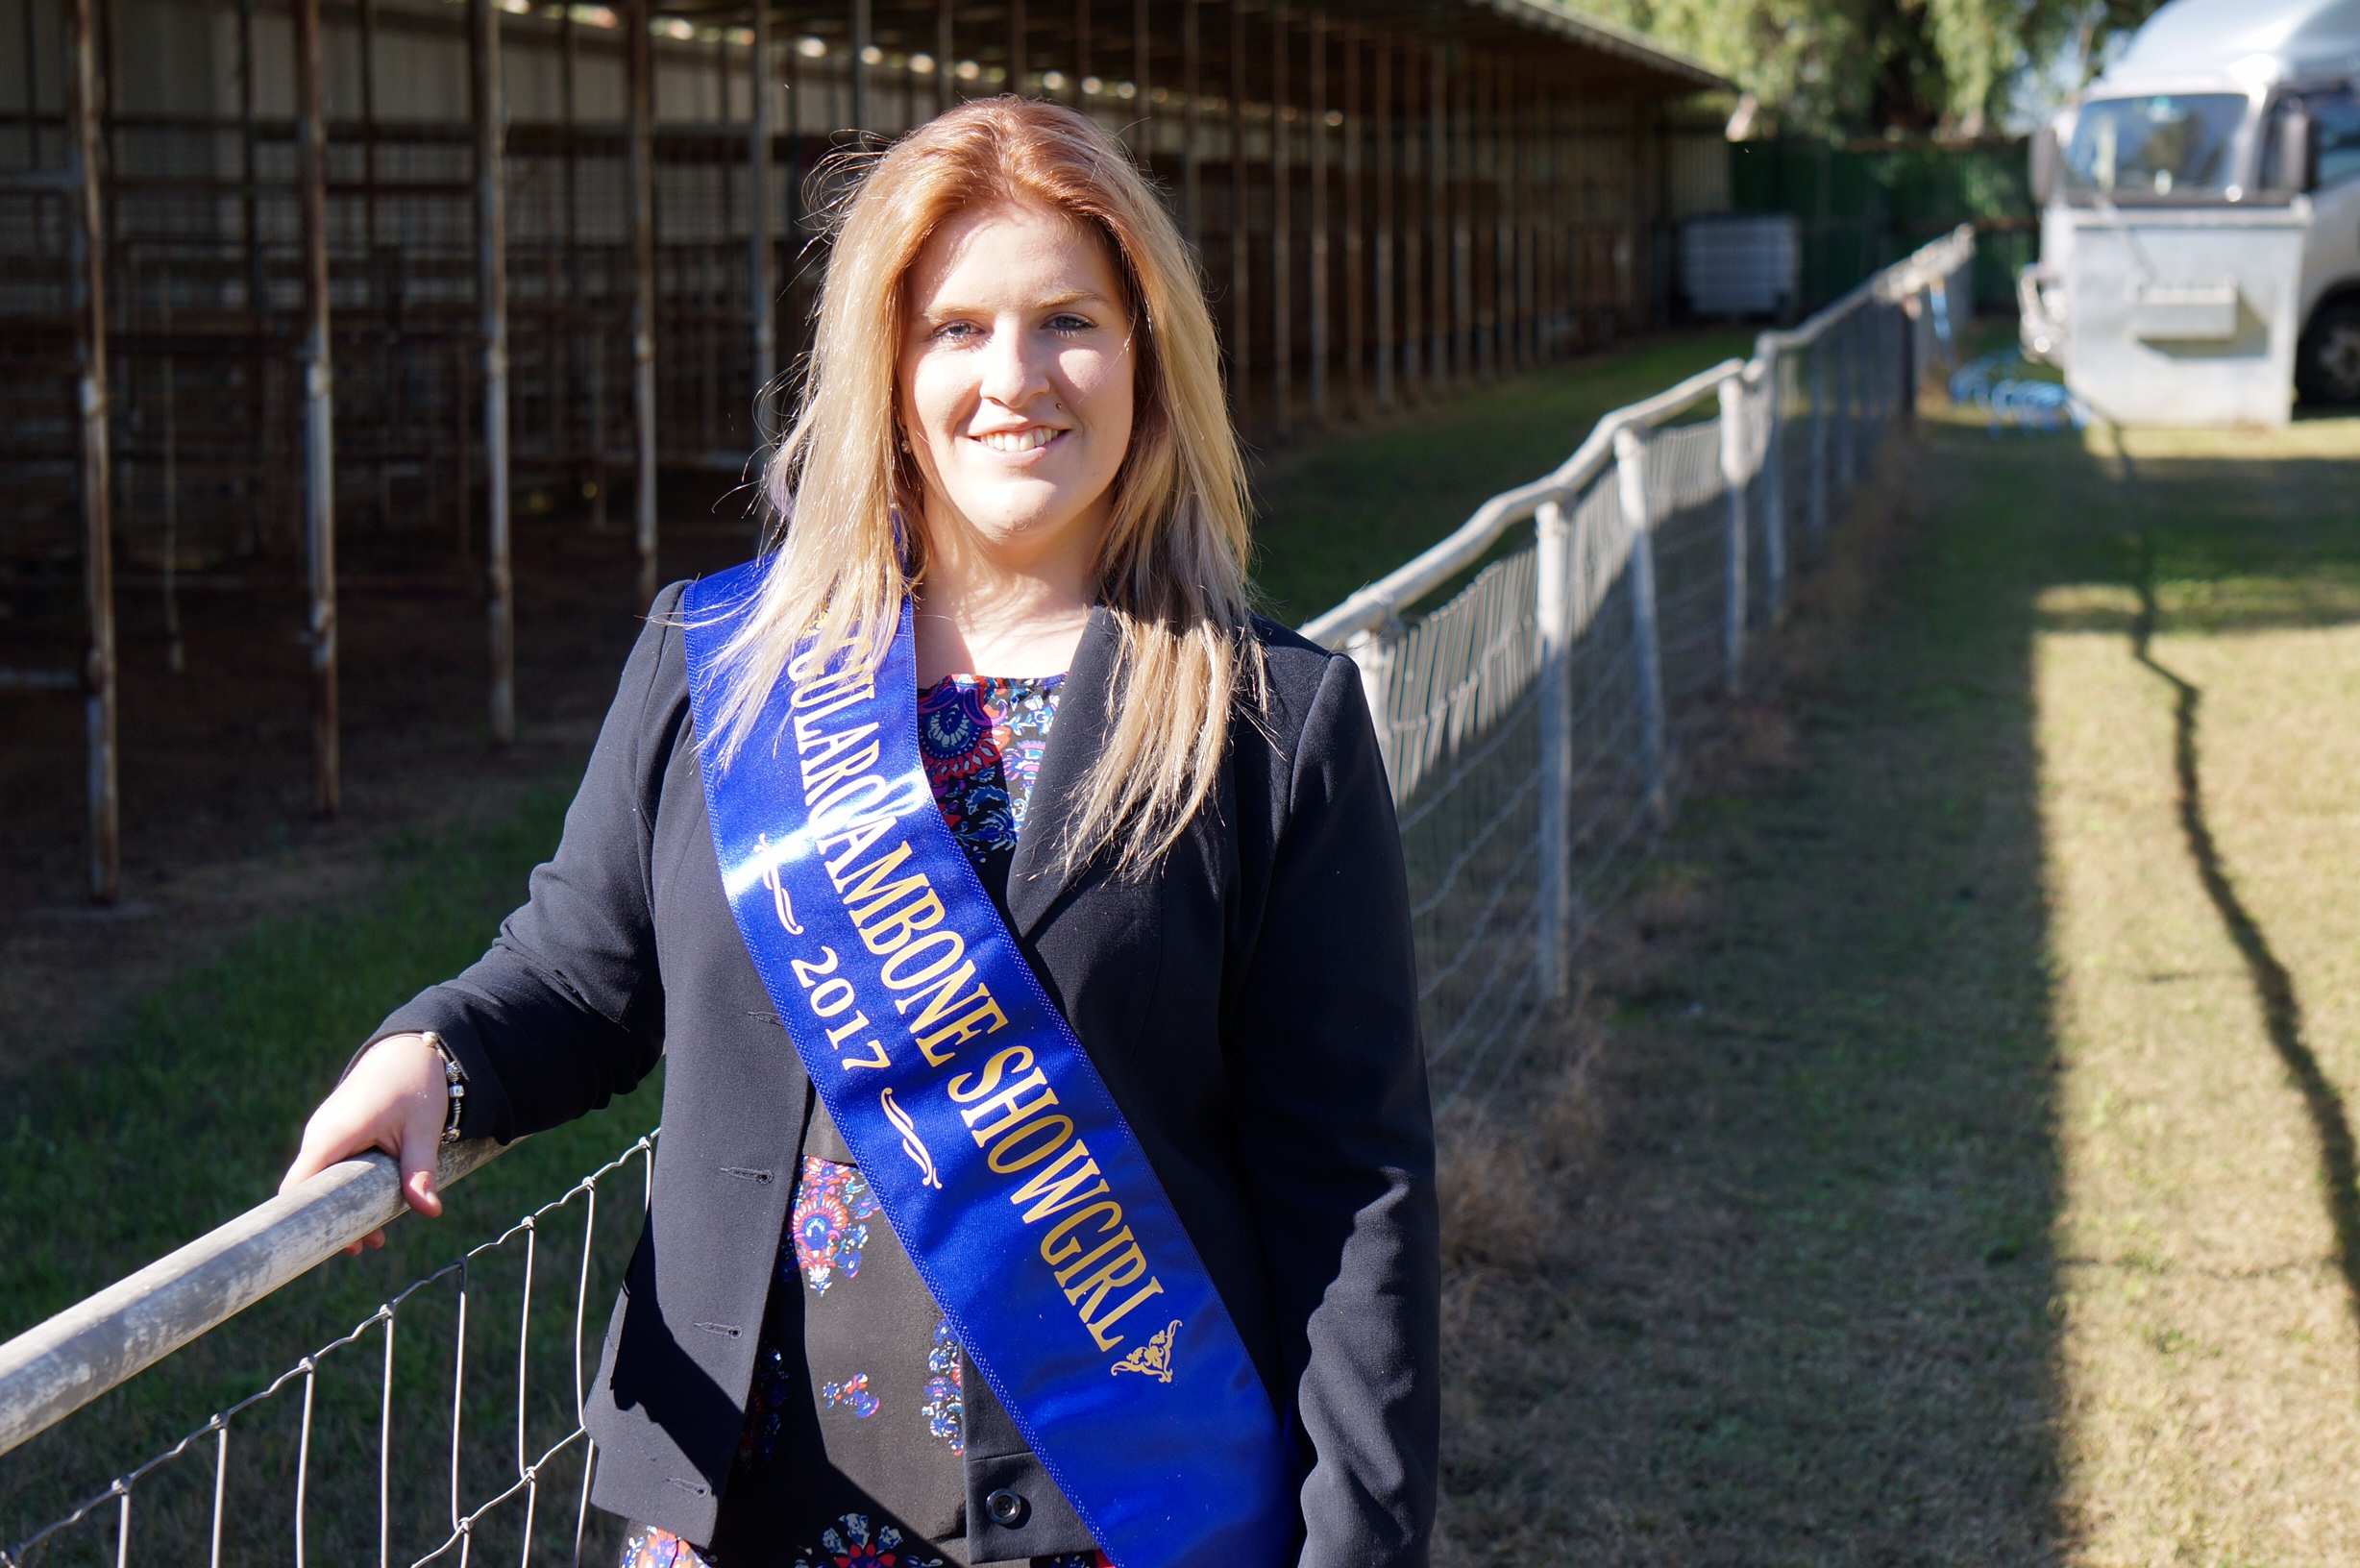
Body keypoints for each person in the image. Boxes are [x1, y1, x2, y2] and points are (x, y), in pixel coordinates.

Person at [283, 96, 1437, 1568]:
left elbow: (1354, 1194)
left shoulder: (1269, 720)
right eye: (954, 328)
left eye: (1067, 320)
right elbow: (580, 972)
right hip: (736, 1511)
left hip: (1117, 1519)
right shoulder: (724, 668)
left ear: (1148, 353)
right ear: (885, 371)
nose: (1014, 378)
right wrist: (432, 1052)